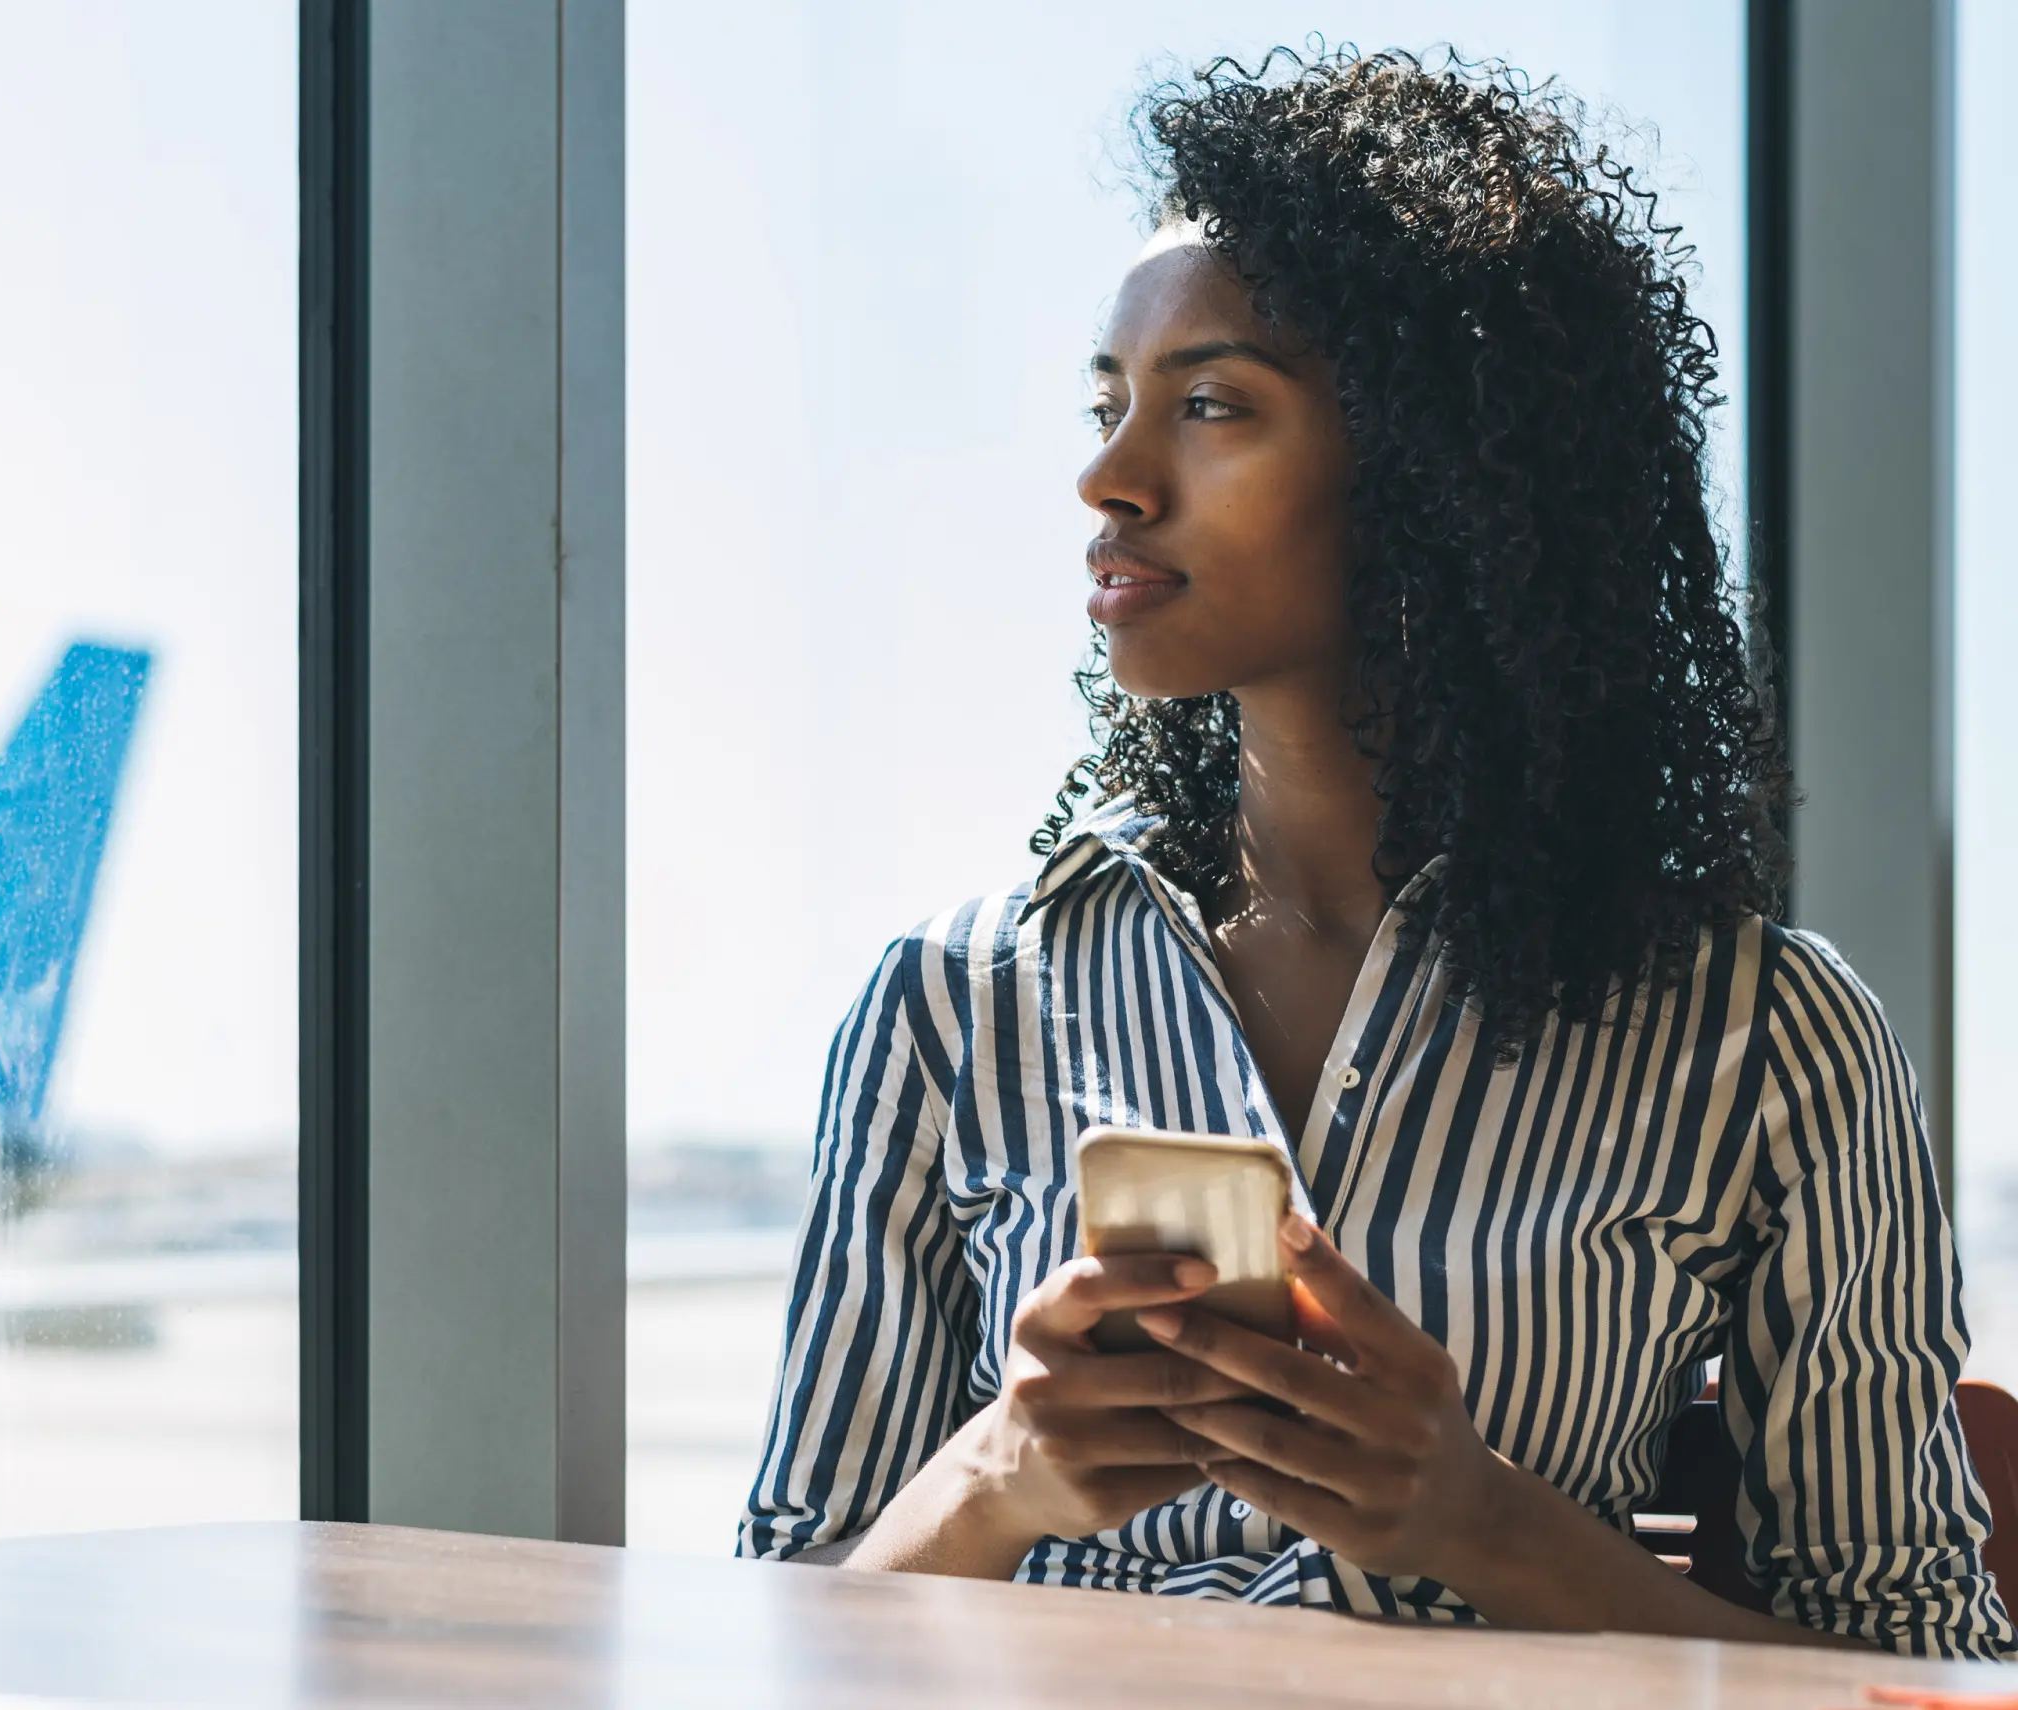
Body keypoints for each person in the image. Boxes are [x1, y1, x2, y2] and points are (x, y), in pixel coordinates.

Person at [737, 47, 2012, 1658]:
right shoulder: (952, 1003)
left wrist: (1479, 1523)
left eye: (1209, 404)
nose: (1110, 476)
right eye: (1109, 402)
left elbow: (1925, 1666)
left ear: (1437, 469)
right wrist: (999, 1474)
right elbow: (758, 1637)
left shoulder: (1769, 1041)